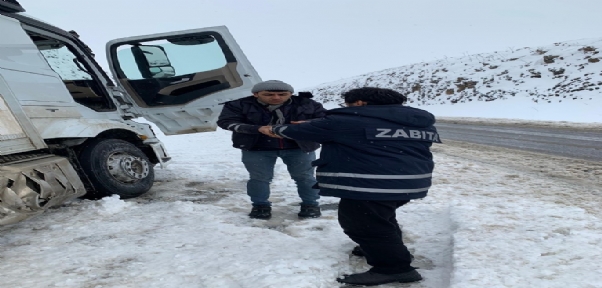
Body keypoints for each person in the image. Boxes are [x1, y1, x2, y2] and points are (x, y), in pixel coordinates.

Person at [266, 87, 440, 286]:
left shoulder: (347, 119)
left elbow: (296, 130)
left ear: (359, 103)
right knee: (380, 217)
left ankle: (395, 268)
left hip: (374, 183)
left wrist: (272, 129)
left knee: (361, 223)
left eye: (347, 104)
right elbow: (356, 130)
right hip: (411, 180)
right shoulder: (416, 121)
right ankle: (379, 248)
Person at [217, 80, 327, 220]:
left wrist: (307, 124)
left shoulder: (306, 104)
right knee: (259, 178)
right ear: (256, 94)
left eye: (282, 94)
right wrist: (257, 129)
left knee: (305, 177)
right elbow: (226, 122)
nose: (276, 97)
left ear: (290, 94)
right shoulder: (239, 104)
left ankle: (311, 204)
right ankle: (260, 206)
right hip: (256, 147)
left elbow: (326, 119)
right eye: (269, 94)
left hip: (299, 147)